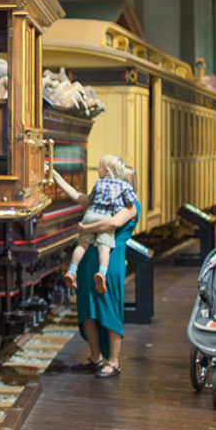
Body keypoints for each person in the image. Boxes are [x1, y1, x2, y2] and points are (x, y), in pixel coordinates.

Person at [53, 165, 139, 378]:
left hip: (110, 261)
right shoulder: (103, 201)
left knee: (109, 309)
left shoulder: (131, 205)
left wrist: (84, 229)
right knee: (88, 308)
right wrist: (55, 176)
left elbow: (113, 223)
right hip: (90, 260)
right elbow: (77, 196)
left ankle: (114, 362)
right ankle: (95, 358)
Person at [53, 155, 137, 295]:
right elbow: (128, 203)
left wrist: (55, 175)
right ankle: (102, 274)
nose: (98, 171)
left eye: (100, 168)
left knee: (81, 245)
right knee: (104, 248)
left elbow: (84, 197)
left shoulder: (99, 184)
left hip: (90, 215)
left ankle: (72, 270)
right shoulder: (124, 188)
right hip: (105, 220)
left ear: (108, 171)